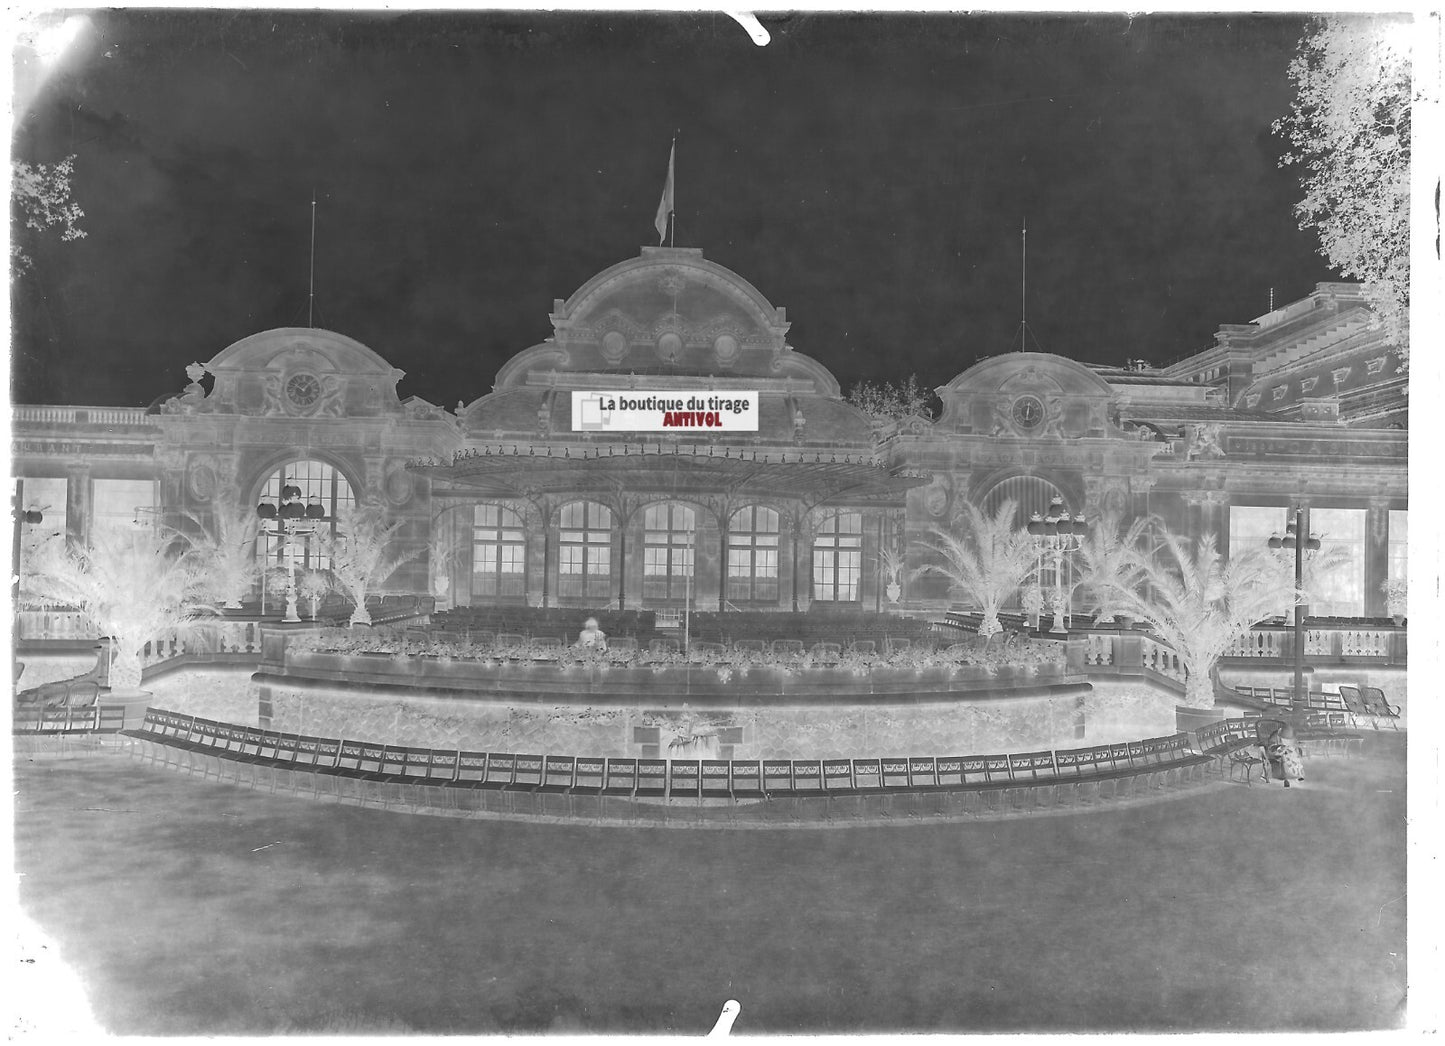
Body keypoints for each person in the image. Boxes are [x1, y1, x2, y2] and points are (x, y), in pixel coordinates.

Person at [1260, 721, 1305, 787]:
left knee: (1295, 755)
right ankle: (1286, 778)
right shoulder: (1275, 736)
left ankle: (1298, 774)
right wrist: (1279, 748)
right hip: (1274, 751)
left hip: (1286, 751)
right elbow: (1271, 747)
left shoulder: (1289, 736)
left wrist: (1293, 747)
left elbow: (1292, 744)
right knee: (1284, 756)